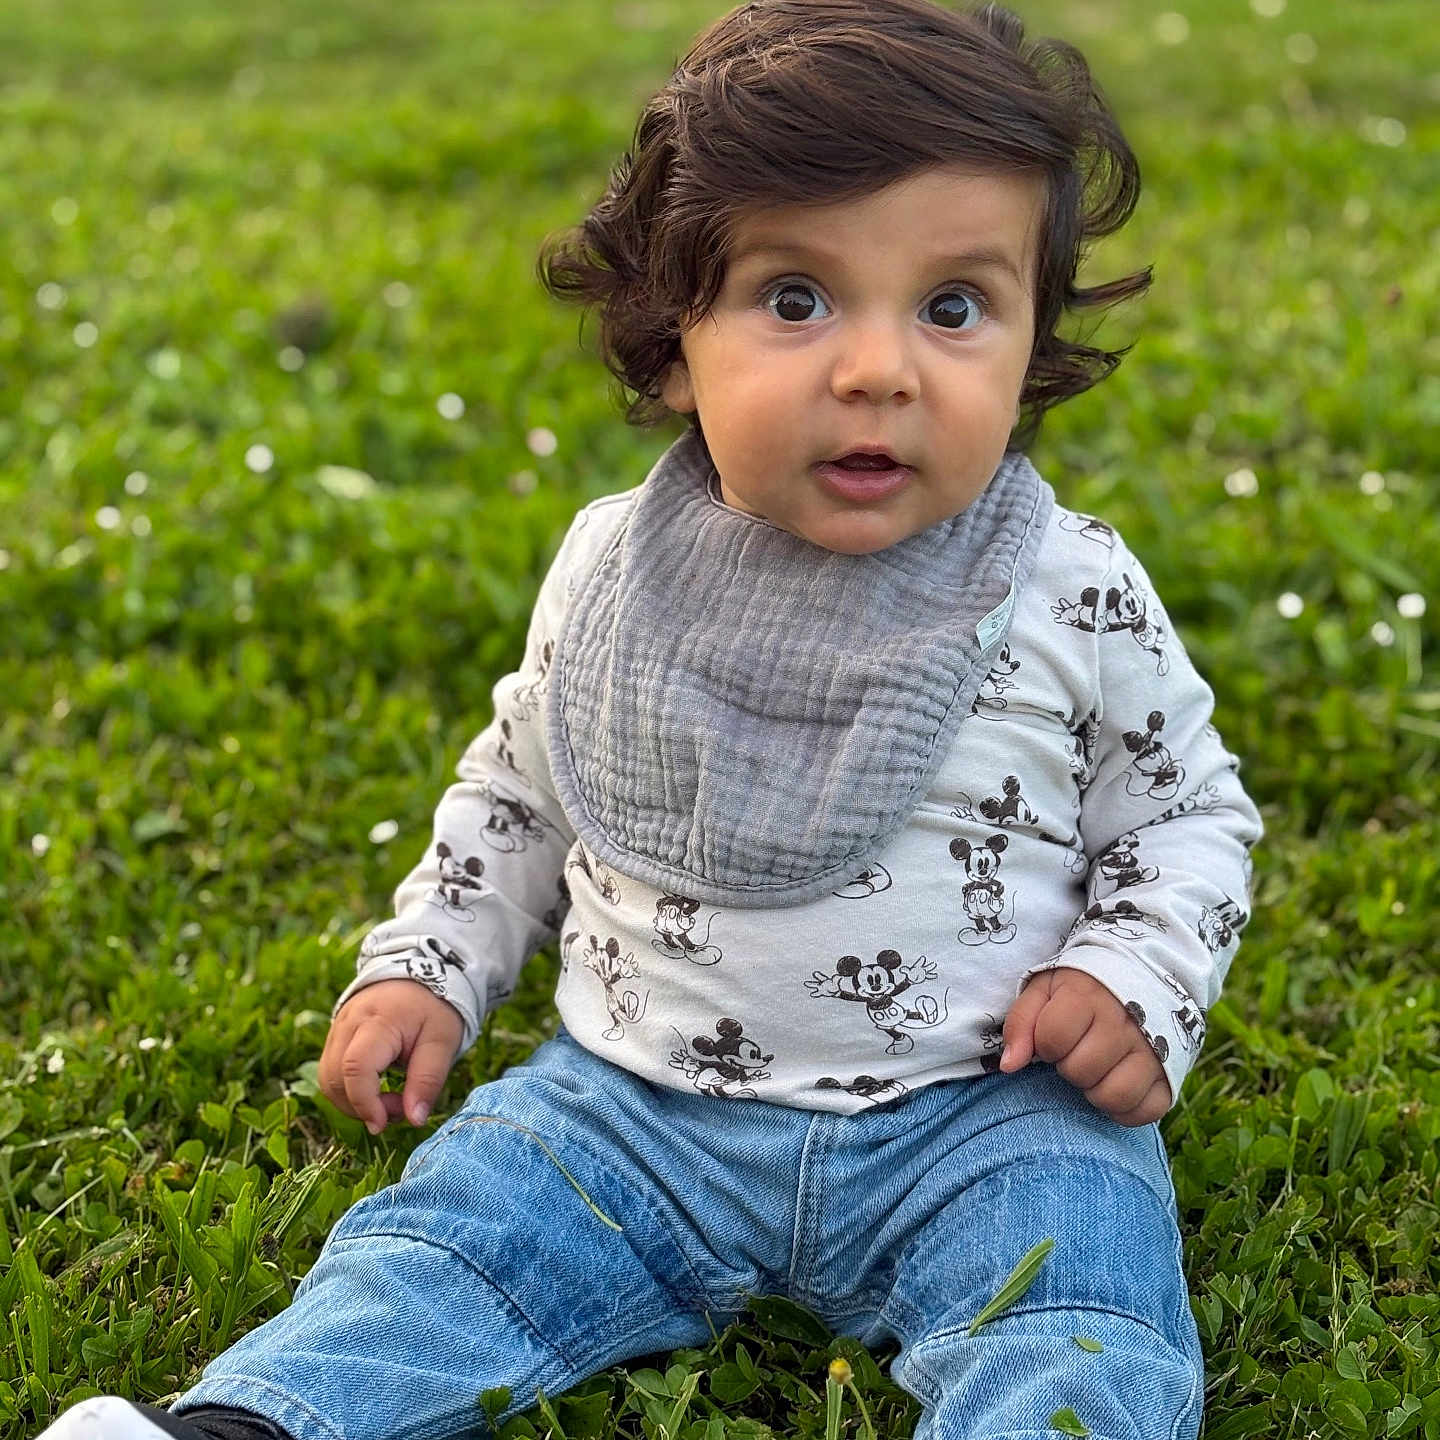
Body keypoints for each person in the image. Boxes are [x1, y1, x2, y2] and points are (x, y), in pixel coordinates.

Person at [37, 2, 1263, 1438]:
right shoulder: (615, 568)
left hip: (987, 1117)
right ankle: (238, 1426)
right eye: (796, 299)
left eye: (953, 306)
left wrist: (1132, 977)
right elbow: (523, 791)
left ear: (1031, 342)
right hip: (635, 1106)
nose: (878, 368)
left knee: (1078, 1325)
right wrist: (431, 965)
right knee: (445, 1250)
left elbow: (1185, 817)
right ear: (671, 342)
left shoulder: (1069, 587)